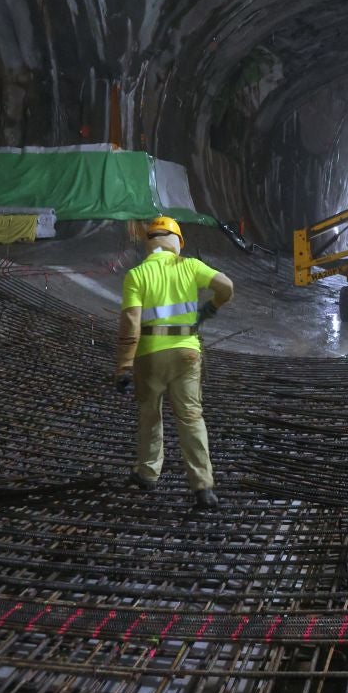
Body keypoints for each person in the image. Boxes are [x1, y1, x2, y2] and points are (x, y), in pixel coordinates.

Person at [113, 215, 233, 510]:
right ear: (177, 242)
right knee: (191, 418)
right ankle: (203, 487)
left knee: (150, 416)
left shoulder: (137, 274)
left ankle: (147, 474)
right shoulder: (190, 266)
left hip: (149, 356)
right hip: (187, 354)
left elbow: (131, 322)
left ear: (149, 242)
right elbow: (226, 286)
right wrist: (210, 308)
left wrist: (125, 365)